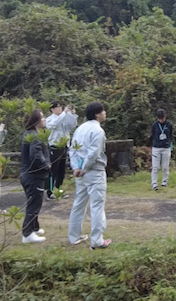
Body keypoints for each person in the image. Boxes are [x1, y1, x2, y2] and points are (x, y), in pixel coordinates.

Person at [68, 102, 111, 249]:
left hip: (80, 172)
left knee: (79, 203)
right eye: (103, 111)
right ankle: (97, 240)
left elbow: (73, 150)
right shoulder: (98, 131)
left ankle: (73, 236)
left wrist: (76, 168)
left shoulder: (80, 129)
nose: (105, 113)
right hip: (93, 171)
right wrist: (84, 168)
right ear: (97, 114)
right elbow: (93, 153)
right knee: (97, 204)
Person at [20, 109, 50, 244]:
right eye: (42, 117)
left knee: (35, 201)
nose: (44, 119)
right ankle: (27, 234)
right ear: (36, 120)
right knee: (34, 204)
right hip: (33, 176)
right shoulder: (35, 136)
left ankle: (34, 227)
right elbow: (35, 156)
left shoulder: (29, 134)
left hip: (27, 174)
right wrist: (46, 165)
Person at [45, 101, 78, 199]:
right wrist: (64, 113)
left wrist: (72, 115)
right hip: (54, 146)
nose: (60, 109)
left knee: (61, 170)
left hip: (64, 146)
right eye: (58, 107)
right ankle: (49, 191)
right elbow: (54, 124)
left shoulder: (63, 118)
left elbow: (72, 126)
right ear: (52, 109)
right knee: (52, 170)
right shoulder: (49, 119)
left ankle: (58, 189)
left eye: (61, 107)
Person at [150, 109, 173, 191]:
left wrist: (168, 143)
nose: (161, 120)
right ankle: (154, 183)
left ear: (165, 117)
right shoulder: (154, 125)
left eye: (162, 118)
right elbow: (152, 134)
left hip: (166, 148)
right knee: (155, 167)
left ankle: (164, 182)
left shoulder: (169, 124)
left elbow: (170, 135)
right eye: (159, 119)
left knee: (165, 167)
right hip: (156, 148)